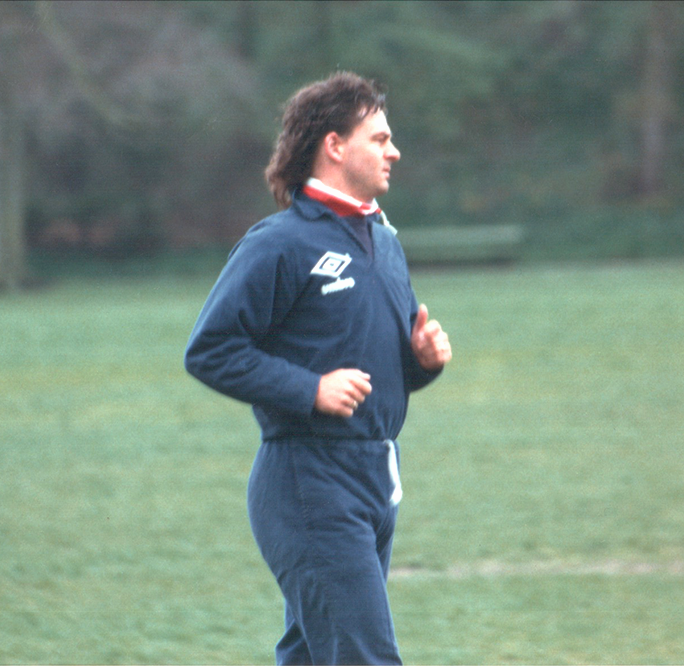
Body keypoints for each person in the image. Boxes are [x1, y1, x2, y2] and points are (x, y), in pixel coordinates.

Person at [184, 71, 451, 665]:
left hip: (376, 475)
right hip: (309, 482)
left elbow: (384, 369)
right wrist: (310, 389)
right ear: (334, 145)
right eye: (379, 138)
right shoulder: (279, 243)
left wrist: (423, 361)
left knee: (314, 657)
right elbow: (210, 349)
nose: (394, 151)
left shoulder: (384, 241)